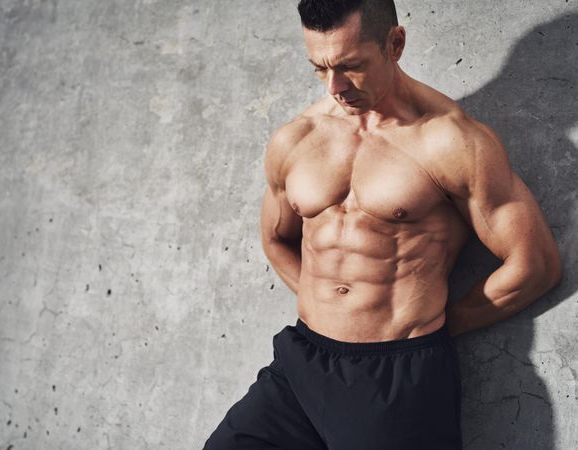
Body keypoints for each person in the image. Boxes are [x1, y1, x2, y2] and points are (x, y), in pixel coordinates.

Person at [203, 1, 563, 449]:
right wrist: (331, 309)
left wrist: (431, 331)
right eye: (319, 68)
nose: (335, 86)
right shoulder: (296, 138)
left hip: (397, 380)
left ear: (395, 43)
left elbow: (536, 264)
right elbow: (276, 238)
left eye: (351, 66)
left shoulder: (451, 141)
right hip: (302, 364)